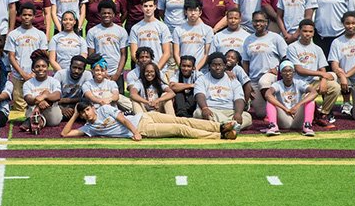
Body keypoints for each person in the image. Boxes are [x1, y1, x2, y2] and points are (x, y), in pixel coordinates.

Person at [61, 100, 238, 140]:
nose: (87, 113)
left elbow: (123, 119)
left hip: (143, 119)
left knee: (183, 121)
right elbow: (65, 134)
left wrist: (135, 132)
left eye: (87, 109)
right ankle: (220, 136)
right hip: (147, 129)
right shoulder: (89, 128)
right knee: (179, 130)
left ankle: (220, 126)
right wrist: (75, 114)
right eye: (84, 113)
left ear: (92, 107)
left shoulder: (104, 108)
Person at [286, 19, 340, 127]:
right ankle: (313, 115)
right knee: (293, 121)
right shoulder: (292, 47)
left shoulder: (317, 49)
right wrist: (321, 75)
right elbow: (299, 70)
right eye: (305, 31)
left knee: (335, 87)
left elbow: (322, 69)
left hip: (313, 81)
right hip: (298, 84)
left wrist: (323, 80)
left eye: (310, 32)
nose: (307, 34)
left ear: (313, 33)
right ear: (299, 31)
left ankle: (323, 115)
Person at [242, 10, 287, 119]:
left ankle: (280, 110)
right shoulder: (248, 40)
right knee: (261, 114)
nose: (258, 24)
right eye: (256, 21)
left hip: (271, 76)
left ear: (266, 22)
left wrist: (279, 70)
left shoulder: (276, 38)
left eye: (261, 21)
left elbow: (285, 57)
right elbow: (246, 62)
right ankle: (275, 109)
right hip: (254, 79)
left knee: (264, 81)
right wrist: (246, 81)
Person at [5, 2, 48, 115]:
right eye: (24, 15)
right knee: (20, 109)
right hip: (18, 76)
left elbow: (43, 56)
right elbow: (11, 56)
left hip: (37, 77)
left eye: (29, 15)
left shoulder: (40, 34)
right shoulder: (13, 34)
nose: (27, 17)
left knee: (36, 104)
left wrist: (34, 74)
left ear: (34, 16)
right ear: (20, 16)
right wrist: (23, 74)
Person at [328, 12, 355, 121]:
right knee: (327, 78)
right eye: (347, 23)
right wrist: (342, 77)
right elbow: (334, 64)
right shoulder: (337, 42)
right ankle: (326, 112)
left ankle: (354, 107)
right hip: (342, 79)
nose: (350, 26)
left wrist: (346, 75)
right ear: (343, 24)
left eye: (353, 23)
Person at [193, 52, 252, 129]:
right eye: (214, 65)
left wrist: (238, 113)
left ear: (225, 66)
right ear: (209, 66)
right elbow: (199, 95)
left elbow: (239, 99)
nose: (217, 68)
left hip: (230, 111)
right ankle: (230, 126)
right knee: (198, 113)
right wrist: (204, 108)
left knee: (247, 116)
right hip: (211, 110)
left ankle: (221, 127)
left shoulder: (233, 81)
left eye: (220, 65)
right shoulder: (202, 80)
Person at [264, 60, 318, 137]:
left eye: (290, 71)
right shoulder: (277, 84)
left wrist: (297, 106)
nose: (288, 73)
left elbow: (314, 92)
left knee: (309, 97)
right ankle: (273, 126)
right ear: (281, 73)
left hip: (298, 117)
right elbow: (267, 94)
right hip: (285, 117)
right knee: (271, 99)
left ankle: (307, 126)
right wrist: (285, 109)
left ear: (294, 72)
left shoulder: (299, 83)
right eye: (284, 71)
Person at [86, 0, 129, 93]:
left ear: (114, 14)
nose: (106, 15)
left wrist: (117, 74)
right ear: (99, 14)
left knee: (118, 102)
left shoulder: (121, 31)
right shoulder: (92, 32)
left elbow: (124, 55)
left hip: (116, 73)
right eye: (104, 13)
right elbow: (91, 55)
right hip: (99, 74)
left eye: (109, 13)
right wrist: (101, 73)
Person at [129, 0, 171, 71]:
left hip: (160, 69)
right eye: (145, 6)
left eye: (150, 6)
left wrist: (156, 69)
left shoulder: (162, 27)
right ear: (141, 7)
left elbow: (167, 53)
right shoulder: (135, 28)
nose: (148, 9)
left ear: (155, 7)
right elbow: (133, 54)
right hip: (141, 70)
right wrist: (144, 68)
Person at [22, 50, 63, 127]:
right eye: (37, 66)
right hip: (33, 109)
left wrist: (45, 96)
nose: (40, 69)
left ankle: (38, 121)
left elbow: (57, 96)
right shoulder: (27, 83)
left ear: (47, 67)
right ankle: (39, 122)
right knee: (33, 112)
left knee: (54, 121)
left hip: (51, 111)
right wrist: (39, 102)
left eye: (43, 66)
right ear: (33, 69)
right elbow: (28, 99)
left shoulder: (54, 81)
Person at [172, 0, 213, 72]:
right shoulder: (178, 30)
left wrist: (196, 69)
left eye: (195, 10)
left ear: (200, 12)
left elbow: (207, 54)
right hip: (183, 70)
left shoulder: (208, 30)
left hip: (201, 71)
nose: (193, 13)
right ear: (185, 12)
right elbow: (176, 53)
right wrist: (183, 68)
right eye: (190, 10)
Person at [54, 55, 93, 120]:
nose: (76, 71)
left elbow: (88, 97)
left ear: (84, 70)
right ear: (70, 67)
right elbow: (52, 96)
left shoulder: (87, 75)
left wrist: (67, 100)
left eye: (80, 69)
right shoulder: (60, 74)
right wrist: (62, 109)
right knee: (55, 118)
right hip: (60, 103)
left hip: (77, 103)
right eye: (74, 67)